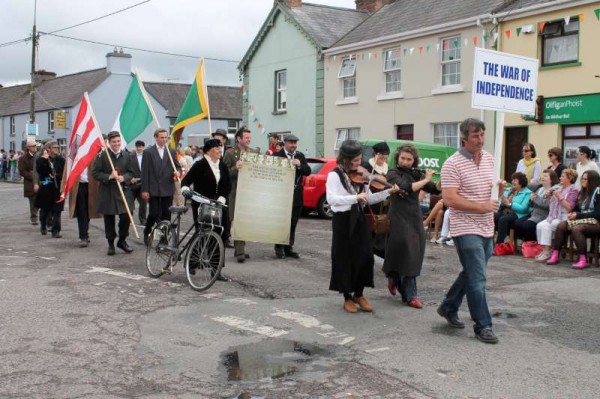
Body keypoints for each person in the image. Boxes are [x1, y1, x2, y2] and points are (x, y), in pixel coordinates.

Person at [437, 118, 500, 344]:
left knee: (472, 273)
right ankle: (483, 325)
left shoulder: (491, 159)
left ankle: (448, 306)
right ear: (464, 137)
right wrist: (481, 206)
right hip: (465, 227)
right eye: (475, 135)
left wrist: (498, 189)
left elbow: (490, 189)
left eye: (482, 134)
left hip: (486, 226)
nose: (480, 139)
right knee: (478, 277)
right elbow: (450, 199)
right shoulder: (452, 164)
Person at [326, 140, 399, 313]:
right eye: (355, 160)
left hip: (358, 218)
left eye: (360, 159)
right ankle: (346, 296)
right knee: (344, 258)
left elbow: (370, 198)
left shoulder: (362, 175)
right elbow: (332, 200)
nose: (359, 164)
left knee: (366, 256)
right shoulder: (334, 175)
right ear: (345, 159)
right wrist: (355, 198)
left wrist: (388, 192)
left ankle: (359, 293)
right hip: (342, 219)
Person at [383, 144, 440, 309]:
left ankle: (403, 287)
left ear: (414, 160)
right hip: (398, 216)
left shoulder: (417, 173)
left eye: (409, 159)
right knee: (403, 250)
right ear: (397, 158)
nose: (406, 162)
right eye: (403, 158)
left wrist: (444, 178)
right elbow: (406, 188)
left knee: (415, 252)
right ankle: (401, 286)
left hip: (414, 216)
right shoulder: (392, 173)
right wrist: (426, 179)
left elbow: (434, 189)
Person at [182, 139, 231, 279]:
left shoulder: (222, 165)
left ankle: (216, 270)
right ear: (208, 151)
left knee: (219, 236)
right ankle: (192, 263)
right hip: (202, 204)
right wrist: (185, 189)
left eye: (220, 148)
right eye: (217, 149)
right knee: (203, 234)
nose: (220, 151)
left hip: (219, 205)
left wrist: (222, 196)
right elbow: (186, 181)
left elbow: (227, 185)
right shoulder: (200, 165)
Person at [92, 131, 135, 255]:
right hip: (108, 192)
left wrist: (124, 178)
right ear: (109, 143)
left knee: (126, 216)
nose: (116, 144)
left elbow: (132, 172)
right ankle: (111, 243)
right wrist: (109, 176)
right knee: (109, 218)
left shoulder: (127, 156)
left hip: (123, 191)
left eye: (118, 141)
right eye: (114, 142)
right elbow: (95, 173)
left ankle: (122, 240)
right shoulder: (103, 156)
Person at [546, 170, 600, 268]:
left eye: (585, 179)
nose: (582, 181)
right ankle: (555, 255)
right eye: (582, 178)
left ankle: (583, 259)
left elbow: (598, 214)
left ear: (592, 180)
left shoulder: (598, 192)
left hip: (596, 222)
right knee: (561, 225)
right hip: (583, 220)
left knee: (576, 229)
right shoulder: (582, 192)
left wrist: (578, 215)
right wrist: (573, 213)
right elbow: (577, 209)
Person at [223, 126, 260, 263]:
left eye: (250, 138)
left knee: (245, 221)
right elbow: (223, 174)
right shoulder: (231, 153)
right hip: (235, 192)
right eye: (246, 138)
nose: (249, 140)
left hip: (249, 192)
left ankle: (240, 249)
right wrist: (234, 168)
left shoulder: (253, 153)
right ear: (238, 139)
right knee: (237, 220)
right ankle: (240, 251)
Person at [273, 134, 311, 259]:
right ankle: (279, 246)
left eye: (295, 143)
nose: (293, 145)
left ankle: (288, 247)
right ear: (285, 143)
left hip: (296, 194)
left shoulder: (299, 156)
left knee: (293, 221)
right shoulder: (277, 156)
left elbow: (308, 171)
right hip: (281, 194)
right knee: (281, 221)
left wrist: (300, 165)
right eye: (291, 143)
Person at [141, 128, 181, 244]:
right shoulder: (148, 152)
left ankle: (162, 239)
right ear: (156, 138)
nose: (164, 140)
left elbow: (177, 166)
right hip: (153, 188)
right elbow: (144, 172)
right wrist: (145, 189)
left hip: (167, 188)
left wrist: (178, 172)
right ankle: (147, 230)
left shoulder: (171, 151)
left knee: (166, 216)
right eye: (162, 137)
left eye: (165, 137)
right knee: (154, 213)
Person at [535, 169, 578, 262]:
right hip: (554, 215)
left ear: (570, 178)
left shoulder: (573, 190)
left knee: (547, 226)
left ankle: (547, 252)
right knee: (539, 225)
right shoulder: (559, 188)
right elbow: (551, 205)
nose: (560, 178)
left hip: (565, 216)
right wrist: (549, 197)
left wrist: (560, 196)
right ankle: (544, 249)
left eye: (563, 176)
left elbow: (569, 208)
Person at [513, 170, 558, 243]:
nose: (543, 177)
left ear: (552, 179)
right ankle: (527, 243)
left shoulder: (554, 190)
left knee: (527, 225)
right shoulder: (540, 189)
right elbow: (531, 205)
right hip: (534, 214)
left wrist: (536, 199)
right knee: (518, 223)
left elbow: (548, 206)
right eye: (542, 175)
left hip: (544, 215)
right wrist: (531, 200)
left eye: (545, 176)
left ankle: (533, 244)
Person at [67, 154, 100, 248]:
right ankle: (83, 236)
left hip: (92, 186)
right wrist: (64, 187)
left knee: (89, 211)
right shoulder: (74, 156)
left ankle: (85, 231)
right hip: (79, 187)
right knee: (81, 212)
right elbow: (67, 171)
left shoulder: (93, 155)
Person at [494, 172, 531, 253]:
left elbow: (524, 208)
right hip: (506, 210)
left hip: (518, 214)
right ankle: (489, 243)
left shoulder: (527, 193)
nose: (512, 182)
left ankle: (498, 245)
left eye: (515, 180)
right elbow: (502, 201)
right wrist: (502, 197)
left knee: (503, 220)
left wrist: (510, 204)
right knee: (493, 216)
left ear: (521, 182)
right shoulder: (510, 190)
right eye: (512, 180)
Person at [35, 140, 65, 238]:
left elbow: (65, 173)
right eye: (54, 147)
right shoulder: (41, 159)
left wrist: (57, 175)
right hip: (46, 188)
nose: (57, 149)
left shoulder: (61, 160)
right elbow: (40, 171)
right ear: (48, 149)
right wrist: (44, 159)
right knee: (44, 210)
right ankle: (43, 225)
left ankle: (56, 230)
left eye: (57, 147)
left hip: (57, 188)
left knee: (57, 211)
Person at [211, 129, 233, 248]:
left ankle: (226, 237)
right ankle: (214, 236)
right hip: (213, 186)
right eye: (215, 138)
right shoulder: (209, 150)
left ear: (224, 140)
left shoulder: (229, 152)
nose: (217, 140)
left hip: (226, 188)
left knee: (227, 214)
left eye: (219, 138)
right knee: (213, 213)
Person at [18, 140, 39, 225]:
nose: (35, 147)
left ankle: (39, 215)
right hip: (30, 182)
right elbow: (22, 171)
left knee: (40, 199)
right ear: (28, 148)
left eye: (35, 146)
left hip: (40, 181)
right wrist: (33, 176)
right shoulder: (23, 158)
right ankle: (34, 217)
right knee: (32, 200)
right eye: (33, 146)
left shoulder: (38, 156)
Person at [130, 140, 147, 225]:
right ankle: (129, 218)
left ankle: (143, 219)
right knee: (130, 202)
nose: (139, 148)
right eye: (138, 147)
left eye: (140, 147)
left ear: (143, 147)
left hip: (143, 183)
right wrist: (130, 178)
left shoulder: (147, 156)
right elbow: (127, 169)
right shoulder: (131, 156)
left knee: (143, 202)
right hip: (133, 183)